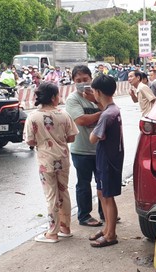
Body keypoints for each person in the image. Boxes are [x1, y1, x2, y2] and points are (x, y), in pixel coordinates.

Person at [24, 82, 79, 243]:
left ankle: (52, 233)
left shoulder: (33, 117)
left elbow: (30, 142)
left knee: (51, 195)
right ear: (54, 97)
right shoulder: (64, 115)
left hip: (45, 162)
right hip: (63, 159)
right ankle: (65, 228)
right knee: (64, 192)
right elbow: (71, 137)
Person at [65, 65, 106, 227]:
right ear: (73, 82)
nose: (82, 83)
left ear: (91, 78)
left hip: (100, 149)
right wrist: (101, 114)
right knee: (83, 184)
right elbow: (81, 120)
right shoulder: (72, 99)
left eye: (85, 79)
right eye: (78, 80)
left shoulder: (98, 96)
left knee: (103, 183)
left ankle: (106, 213)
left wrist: (96, 101)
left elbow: (110, 110)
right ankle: (84, 216)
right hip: (80, 149)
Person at [88, 75, 124, 248]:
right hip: (110, 157)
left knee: (107, 197)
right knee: (103, 194)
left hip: (108, 159)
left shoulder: (106, 115)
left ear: (98, 92)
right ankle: (107, 229)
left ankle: (111, 234)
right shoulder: (113, 110)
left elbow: (93, 138)